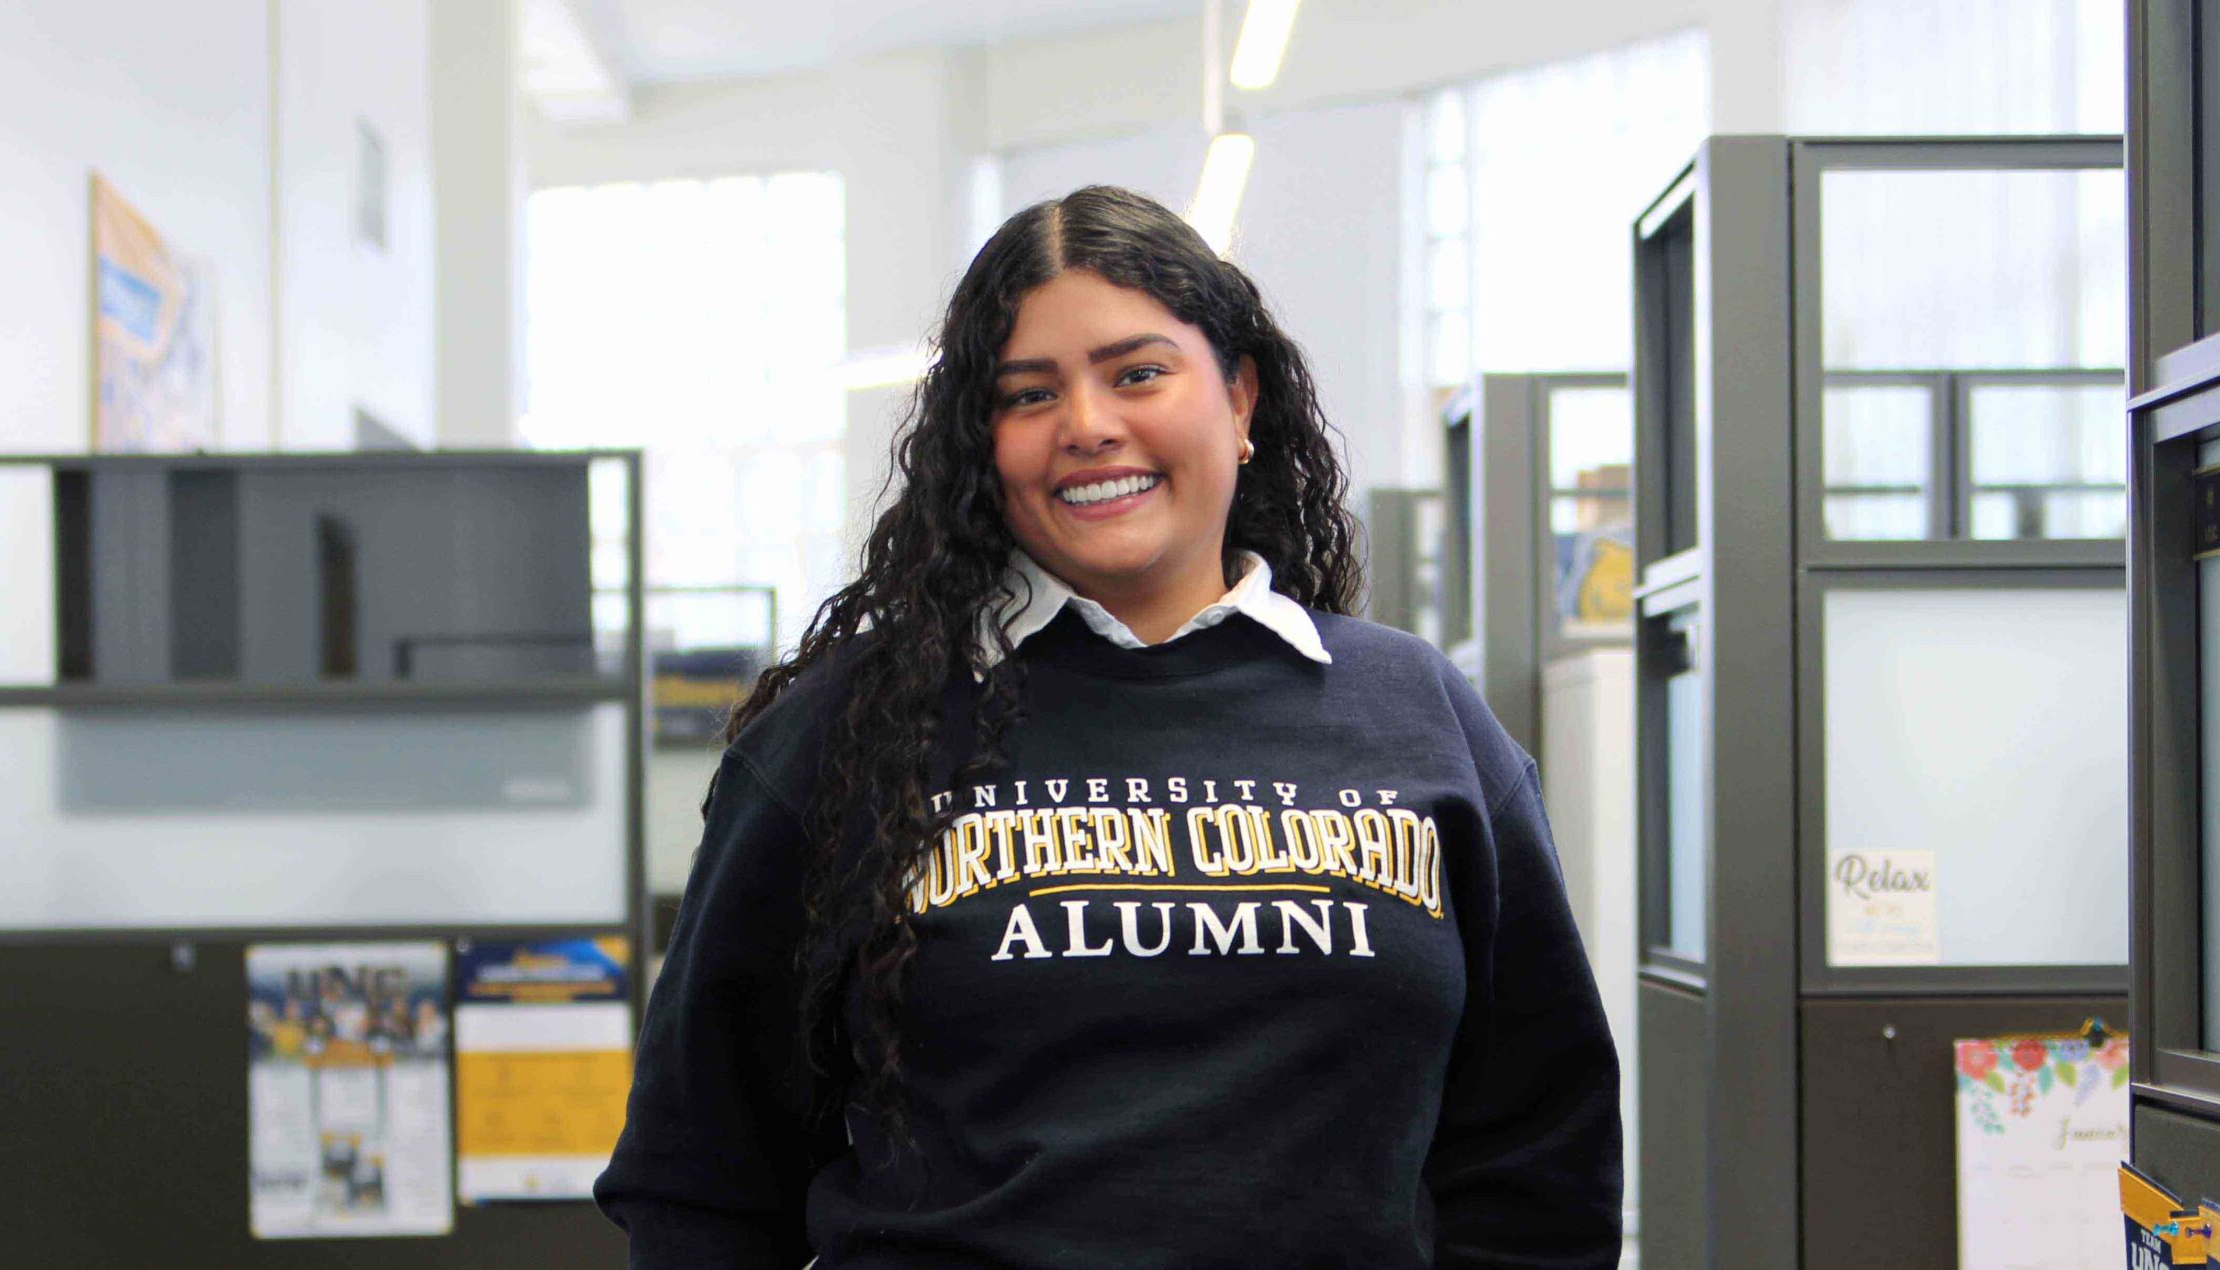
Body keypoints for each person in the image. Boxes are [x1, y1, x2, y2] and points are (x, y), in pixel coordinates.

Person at [596, 184, 1621, 1267]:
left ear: (1239, 398)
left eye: (1138, 373)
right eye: (1028, 395)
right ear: (981, 441)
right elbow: (699, 1177)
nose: (1087, 426)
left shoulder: (1422, 718)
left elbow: (1538, 1158)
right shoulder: (846, 737)